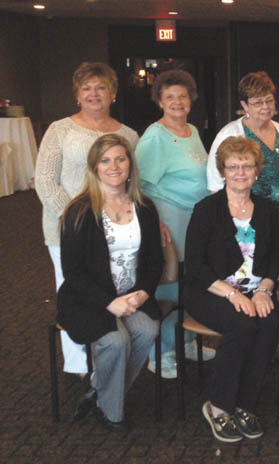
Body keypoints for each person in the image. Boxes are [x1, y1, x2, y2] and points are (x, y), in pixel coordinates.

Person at [35, 61, 139, 377]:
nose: (94, 93)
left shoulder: (128, 135)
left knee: (109, 290)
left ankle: (108, 353)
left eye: (101, 87)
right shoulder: (60, 130)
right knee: (75, 292)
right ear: (77, 96)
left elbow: (136, 183)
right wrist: (77, 221)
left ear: (113, 93)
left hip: (117, 229)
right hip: (68, 228)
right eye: (86, 88)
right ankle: (80, 363)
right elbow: (44, 180)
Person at [57, 134, 162, 432]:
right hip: (88, 298)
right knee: (117, 341)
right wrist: (109, 302)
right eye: (105, 160)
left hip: (131, 295)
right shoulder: (79, 211)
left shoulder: (144, 207)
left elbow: (154, 261)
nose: (114, 166)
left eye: (120, 158)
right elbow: (73, 272)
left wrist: (142, 293)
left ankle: (99, 391)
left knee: (147, 329)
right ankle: (111, 411)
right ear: (94, 167)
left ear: (130, 164)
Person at [184, 136, 279, 443]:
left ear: (257, 171)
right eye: (233, 166)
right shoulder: (207, 209)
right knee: (242, 325)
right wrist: (233, 295)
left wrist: (265, 290)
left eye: (247, 165)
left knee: (271, 324)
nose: (241, 172)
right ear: (223, 171)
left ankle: (244, 404)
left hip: (257, 291)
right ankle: (219, 405)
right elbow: (195, 266)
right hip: (211, 291)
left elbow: (276, 258)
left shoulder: (267, 209)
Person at [135, 69, 212, 378]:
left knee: (192, 283)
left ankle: (188, 340)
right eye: (170, 97)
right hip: (169, 220)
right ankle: (161, 351)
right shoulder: (155, 135)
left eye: (182, 96)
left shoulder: (191, 130)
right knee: (170, 288)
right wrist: (154, 226)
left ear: (191, 99)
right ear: (160, 102)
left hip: (194, 219)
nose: (177, 102)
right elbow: (138, 185)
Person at [208, 72, 279, 233]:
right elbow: (215, 185)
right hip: (247, 221)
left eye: (269, 100)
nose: (265, 107)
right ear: (245, 105)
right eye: (257, 102)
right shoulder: (230, 134)